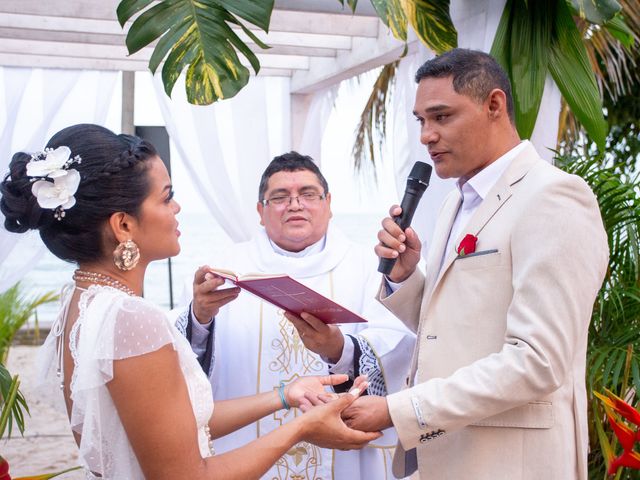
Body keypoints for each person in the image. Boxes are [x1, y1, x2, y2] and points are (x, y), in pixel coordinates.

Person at [0, 124, 382, 480]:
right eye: (167, 197)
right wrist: (302, 427)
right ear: (124, 226)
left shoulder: (82, 301)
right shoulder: (131, 317)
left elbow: (172, 422)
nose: (178, 208)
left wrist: (284, 395)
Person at [338, 49, 609, 479]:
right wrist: (408, 276)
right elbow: (455, 327)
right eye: (421, 121)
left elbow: (538, 362)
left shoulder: (553, 197)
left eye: (441, 117)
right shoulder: (454, 202)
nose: (427, 135)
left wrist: (398, 410)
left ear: (494, 105)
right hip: (448, 456)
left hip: (508, 462)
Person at [176, 152, 416, 479]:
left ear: (328, 203)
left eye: (307, 194)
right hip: (249, 452)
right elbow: (182, 368)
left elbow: (400, 346)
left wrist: (338, 349)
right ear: (260, 211)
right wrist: (200, 318)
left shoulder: (369, 269)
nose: (295, 204)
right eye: (279, 197)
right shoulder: (224, 268)